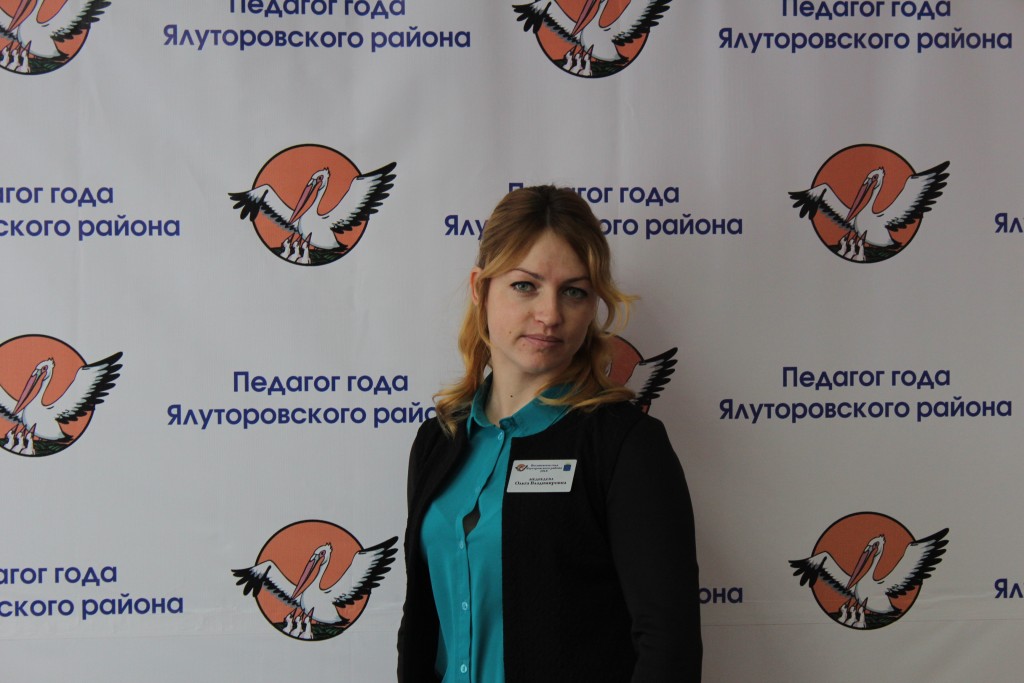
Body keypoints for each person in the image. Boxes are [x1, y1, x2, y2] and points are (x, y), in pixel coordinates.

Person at [398, 185, 701, 683]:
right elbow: (423, 622)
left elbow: (669, 647)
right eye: (525, 285)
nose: (550, 315)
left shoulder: (625, 446)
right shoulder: (439, 441)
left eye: (574, 291)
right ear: (480, 288)